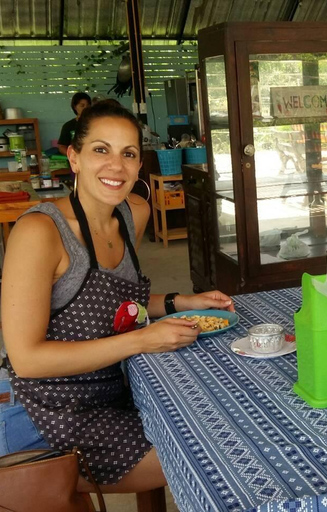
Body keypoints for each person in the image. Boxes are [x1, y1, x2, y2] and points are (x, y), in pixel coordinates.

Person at [1, 99, 235, 493]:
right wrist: (141, 340)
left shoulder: (132, 214)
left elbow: (118, 304)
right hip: (45, 413)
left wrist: (182, 301)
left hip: (114, 389)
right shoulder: (41, 232)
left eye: (128, 153)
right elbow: (27, 361)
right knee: (205, 460)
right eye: (100, 150)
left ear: (139, 164)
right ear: (74, 158)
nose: (116, 167)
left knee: (215, 418)